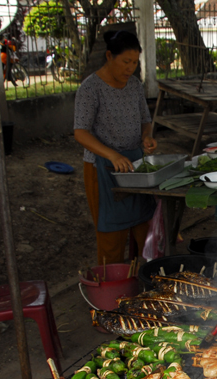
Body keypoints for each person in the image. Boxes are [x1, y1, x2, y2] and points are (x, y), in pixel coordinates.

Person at [74, 30, 157, 265]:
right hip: (103, 169)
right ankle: (113, 292)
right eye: (125, 61)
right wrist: (112, 155)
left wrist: (147, 137)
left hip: (135, 167)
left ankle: (150, 281)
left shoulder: (134, 86)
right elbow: (80, 132)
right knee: (111, 238)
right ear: (109, 56)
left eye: (134, 62)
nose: (130, 68)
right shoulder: (90, 89)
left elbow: (145, 120)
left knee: (147, 228)